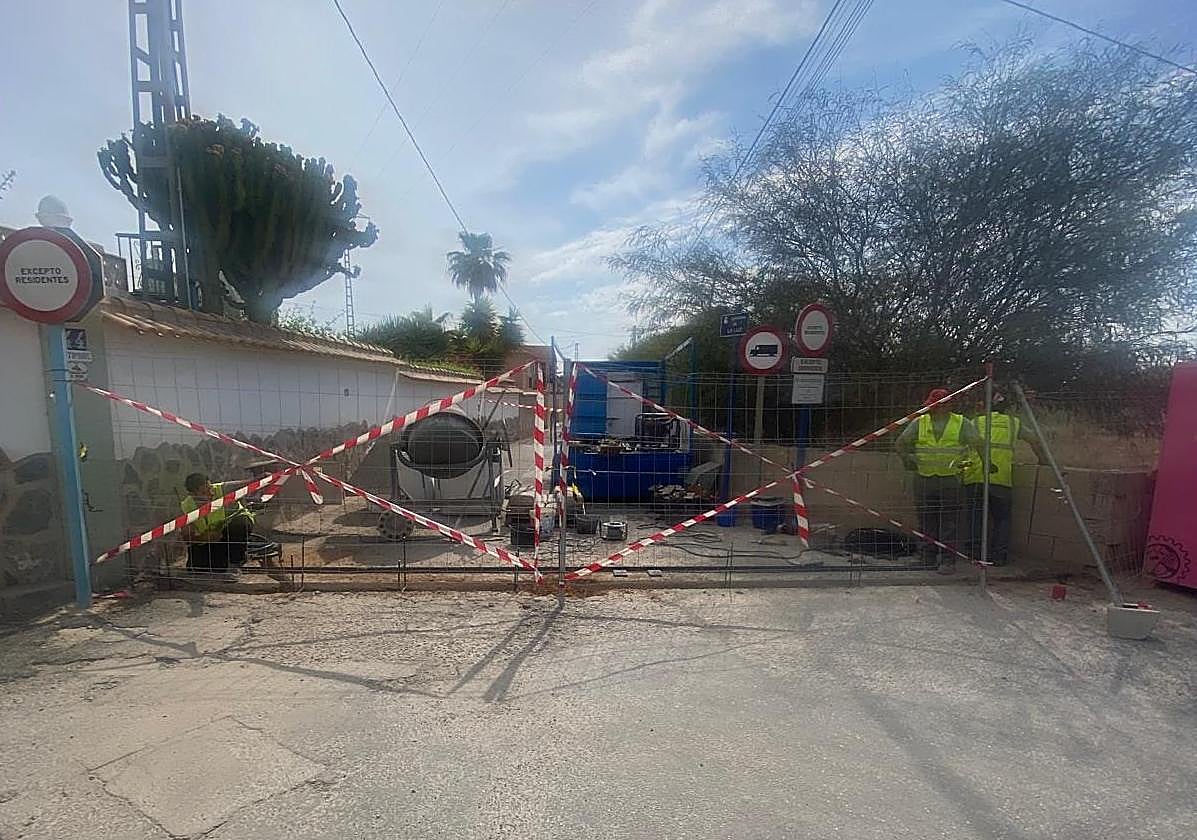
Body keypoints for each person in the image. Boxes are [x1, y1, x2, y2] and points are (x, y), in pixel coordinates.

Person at [895, 388, 980, 574]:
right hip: (926, 478)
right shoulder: (920, 422)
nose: (934, 408)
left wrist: (965, 467)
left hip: (950, 480)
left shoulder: (961, 423)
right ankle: (928, 557)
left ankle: (947, 560)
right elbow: (901, 443)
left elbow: (976, 447)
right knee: (927, 520)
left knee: (949, 522)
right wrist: (909, 461)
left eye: (937, 404)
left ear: (947, 405)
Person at [962, 391, 1045, 565]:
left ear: (986, 407)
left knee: (976, 517)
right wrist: (1043, 460)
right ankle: (999, 557)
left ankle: (975, 556)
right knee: (1002, 519)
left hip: (975, 476)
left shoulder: (975, 422)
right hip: (1001, 478)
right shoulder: (1014, 423)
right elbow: (1035, 440)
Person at [180, 472, 256, 578]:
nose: (211, 493)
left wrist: (261, 478)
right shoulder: (187, 506)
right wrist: (204, 538)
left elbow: (245, 484)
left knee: (238, 525)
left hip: (231, 528)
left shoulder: (222, 489)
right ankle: (223, 562)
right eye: (204, 492)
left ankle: (236, 563)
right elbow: (187, 537)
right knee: (197, 568)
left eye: (210, 488)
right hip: (212, 538)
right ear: (193, 494)